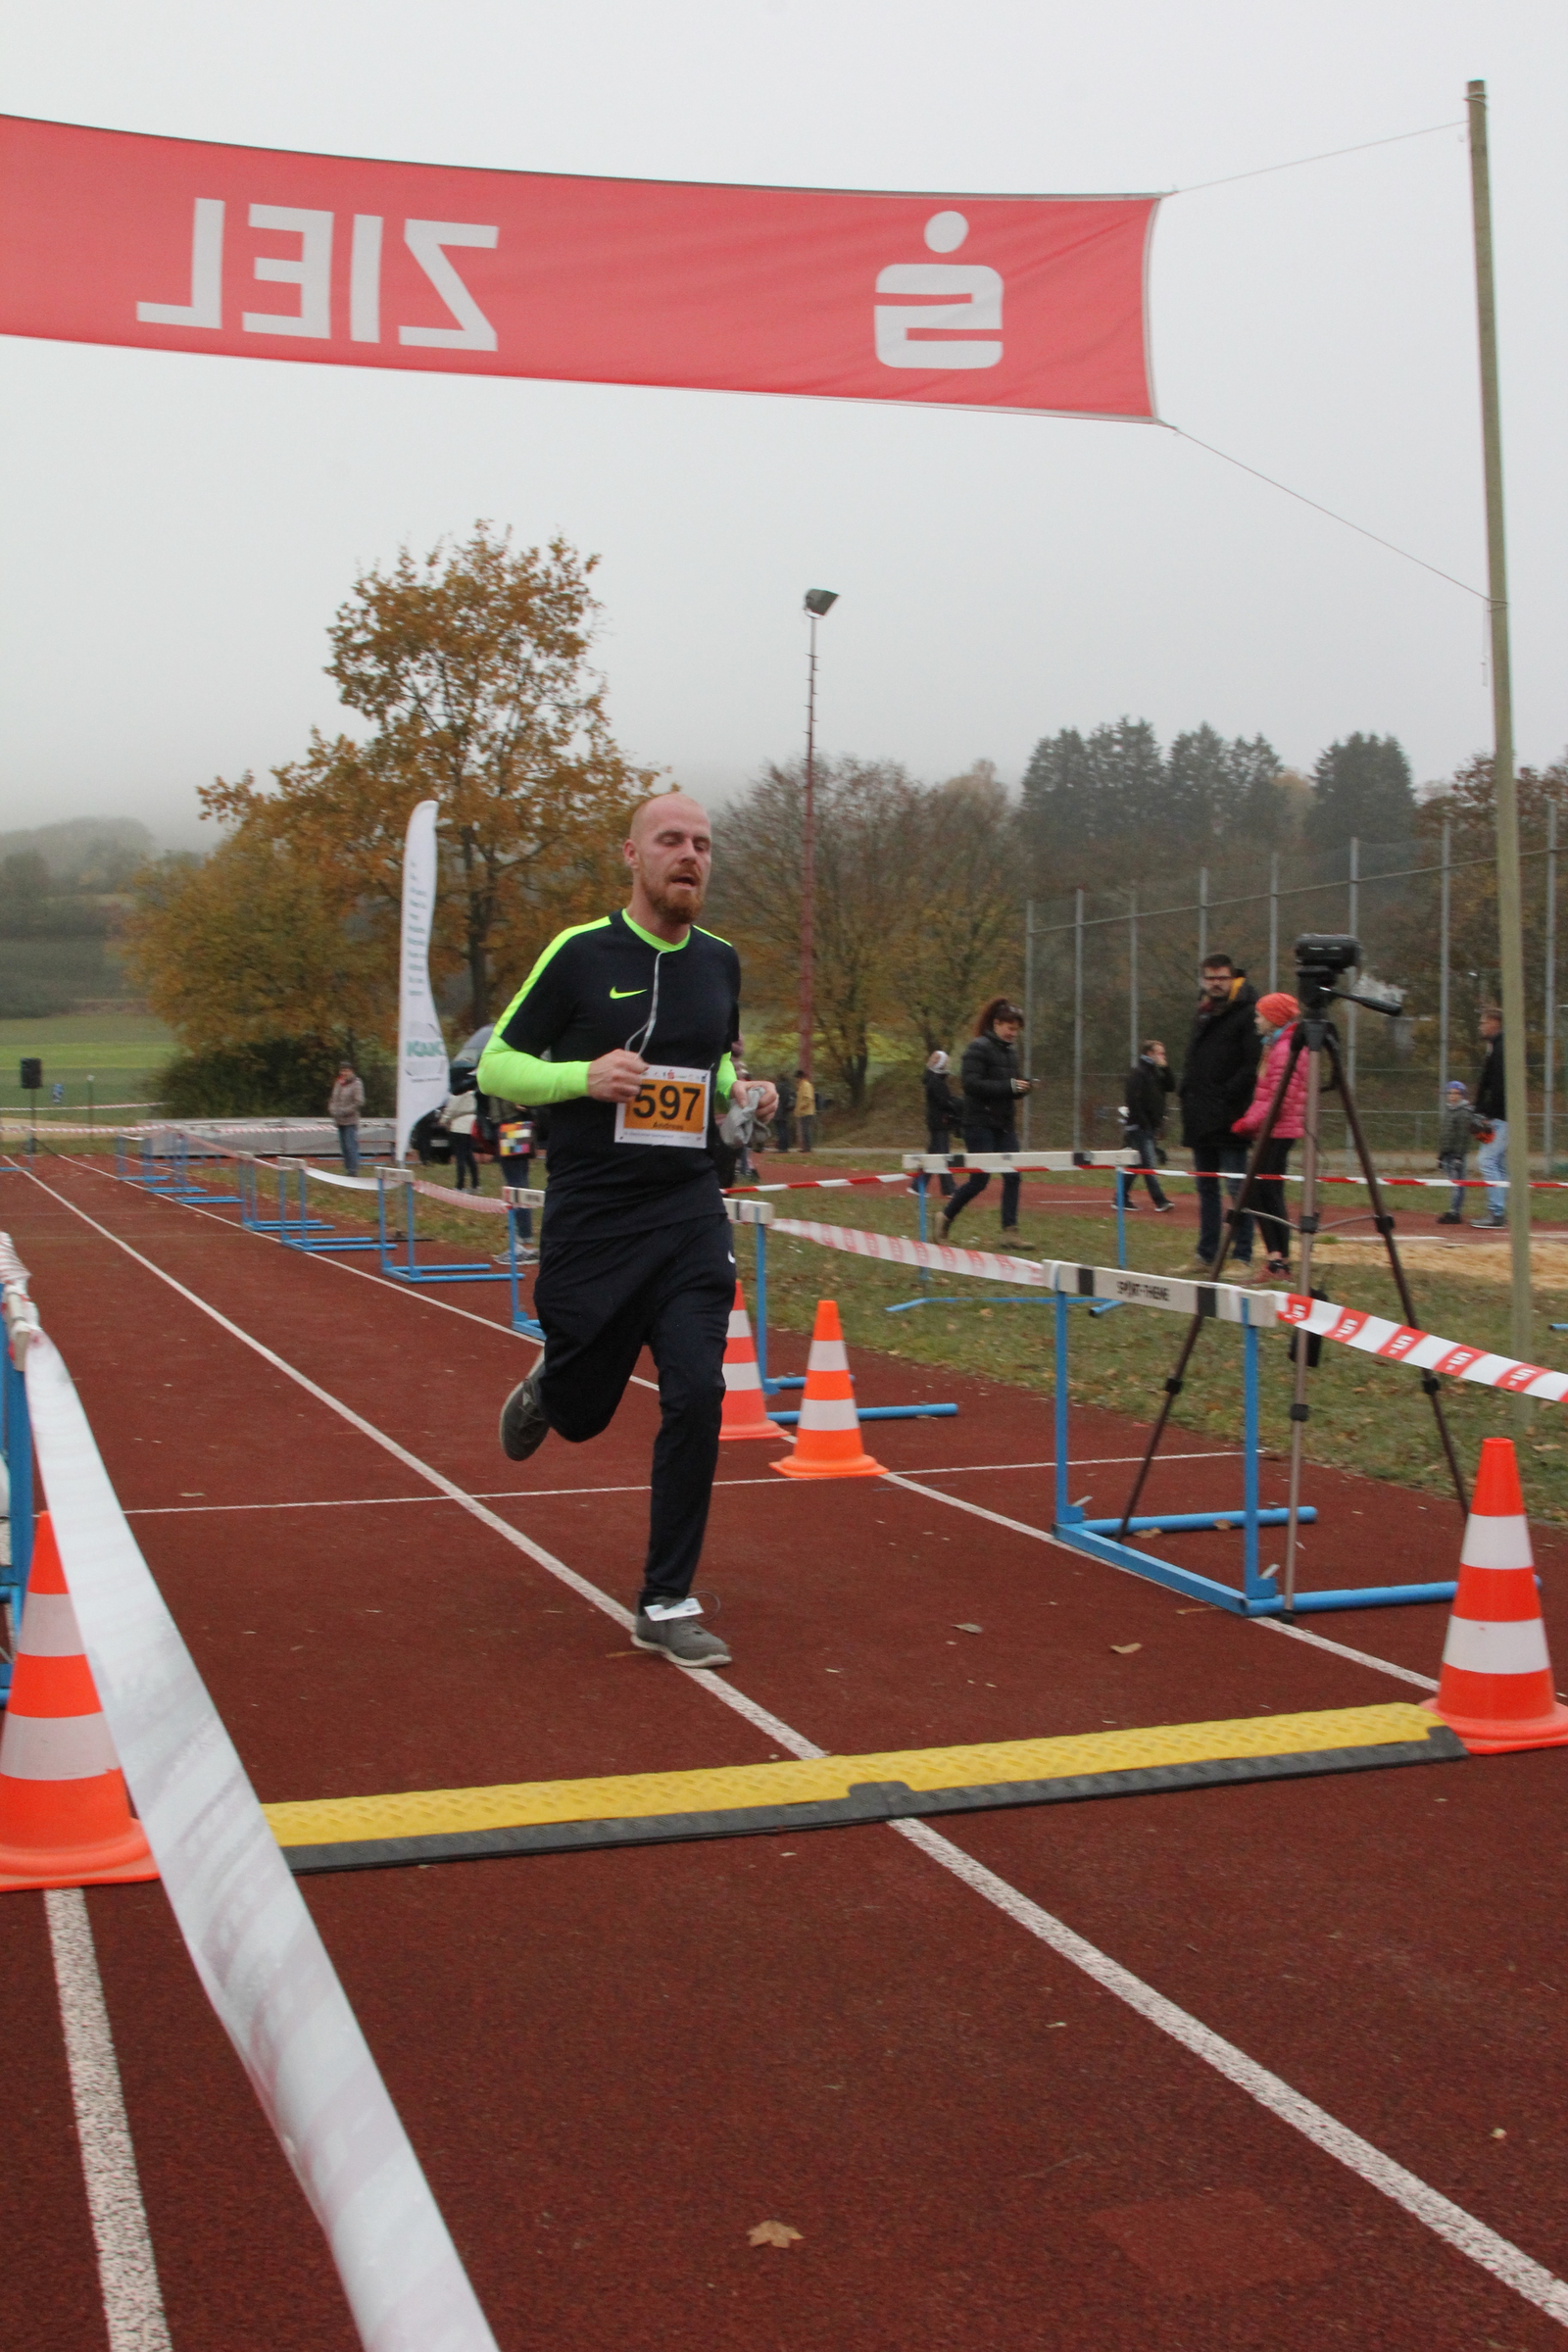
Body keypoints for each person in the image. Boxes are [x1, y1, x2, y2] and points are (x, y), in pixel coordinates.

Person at [477, 791, 776, 1671]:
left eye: (703, 845)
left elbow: (713, 1060)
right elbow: (495, 1064)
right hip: (595, 1217)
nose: (691, 856)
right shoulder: (579, 953)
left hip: (687, 1209)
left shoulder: (720, 962)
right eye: (672, 841)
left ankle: (665, 1598)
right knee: (582, 1414)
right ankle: (552, 1385)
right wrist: (582, 1077)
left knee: (699, 1392)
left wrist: (743, 1091)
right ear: (632, 855)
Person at [1177, 953, 1261, 1273]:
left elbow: (1252, 1064)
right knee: (1206, 1188)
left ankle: (1242, 1256)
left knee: (1237, 1188)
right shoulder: (1203, 1012)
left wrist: (1226, 1095)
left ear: (1233, 977)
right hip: (1200, 1116)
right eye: (1210, 978)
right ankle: (1206, 1254)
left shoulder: (1248, 1012)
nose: (1215, 983)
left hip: (1231, 1117)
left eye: (1221, 978)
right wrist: (1187, 1091)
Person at [941, 998, 1034, 1241]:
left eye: (1016, 1030)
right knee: (980, 1180)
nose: (1013, 1034)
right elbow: (971, 1084)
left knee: (1013, 1175)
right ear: (996, 1023)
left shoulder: (1010, 1053)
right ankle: (945, 1216)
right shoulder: (977, 1048)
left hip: (1004, 1125)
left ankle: (1010, 1232)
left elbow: (1009, 1087)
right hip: (978, 1124)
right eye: (1010, 1028)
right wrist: (1009, 1086)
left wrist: (1022, 1088)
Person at [1232, 993, 1308, 1282]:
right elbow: (1269, 1096)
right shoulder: (1277, 1046)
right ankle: (1277, 1259)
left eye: (1260, 1015)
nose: (1256, 1020)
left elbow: (1280, 1100)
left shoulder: (1285, 1049)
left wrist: (1249, 1123)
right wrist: (1252, 1121)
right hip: (1274, 1129)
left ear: (1274, 1018)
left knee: (1263, 1191)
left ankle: (1279, 1261)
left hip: (1279, 1131)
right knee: (1263, 1191)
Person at [1119, 1041, 1174, 1213]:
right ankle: (1160, 1201)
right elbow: (1133, 1099)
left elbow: (1171, 1086)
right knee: (1148, 1163)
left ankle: (1120, 1198)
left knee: (1136, 1165)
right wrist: (1144, 1123)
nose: (1163, 1057)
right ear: (1150, 1053)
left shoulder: (1155, 1072)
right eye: (1160, 1053)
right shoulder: (1139, 1072)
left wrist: (1166, 1068)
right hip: (1139, 1127)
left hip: (1150, 1126)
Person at [1473, 1007, 1507, 1228]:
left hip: (1500, 1117)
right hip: (1497, 1115)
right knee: (1498, 1163)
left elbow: (1499, 1086)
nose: (1481, 1026)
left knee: (1486, 1160)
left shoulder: (1502, 1048)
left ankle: (1496, 1212)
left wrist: (1486, 1112)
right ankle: (1498, 1211)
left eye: (1484, 1022)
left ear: (1495, 1022)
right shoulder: (1495, 1047)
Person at [920, 1050, 962, 1199]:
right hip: (939, 1122)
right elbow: (944, 1102)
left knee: (934, 1154)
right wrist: (957, 1104)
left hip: (936, 1121)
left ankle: (918, 1185)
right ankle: (949, 1188)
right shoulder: (936, 1081)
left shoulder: (933, 1079)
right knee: (944, 1155)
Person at [1436, 1079, 1471, 1225]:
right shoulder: (1449, 1111)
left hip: (1456, 1155)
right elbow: (1445, 1135)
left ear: (1462, 1095)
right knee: (1452, 1182)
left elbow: (1462, 1136)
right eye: (1450, 1093)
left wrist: (1458, 1157)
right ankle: (1453, 1209)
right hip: (1447, 1154)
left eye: (1456, 1093)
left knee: (1457, 1183)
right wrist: (1441, 1156)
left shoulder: (1463, 1112)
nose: (1452, 1096)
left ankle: (1455, 1212)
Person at [439, 1077, 481, 1191]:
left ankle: (460, 1185)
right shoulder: (473, 1094)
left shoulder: (457, 1095)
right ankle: (475, 1184)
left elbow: (451, 1110)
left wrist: (443, 1120)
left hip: (459, 1126)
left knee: (460, 1157)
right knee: (469, 1155)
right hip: (471, 1125)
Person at [328, 1061, 365, 1175]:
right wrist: (332, 1109)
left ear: (351, 1071)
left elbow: (359, 1102)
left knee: (350, 1146)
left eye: (346, 1070)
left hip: (350, 1121)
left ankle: (353, 1170)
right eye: (342, 1070)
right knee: (344, 1148)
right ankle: (348, 1169)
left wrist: (344, 1111)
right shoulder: (339, 1083)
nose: (344, 1073)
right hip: (339, 1121)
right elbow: (333, 1099)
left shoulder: (356, 1083)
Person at [772, 1071, 796, 1152]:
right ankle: (785, 1147)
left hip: (778, 1110)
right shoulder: (788, 1087)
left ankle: (781, 1147)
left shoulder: (778, 1087)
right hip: (785, 1111)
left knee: (780, 1130)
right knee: (785, 1129)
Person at [795, 1068, 816, 1152]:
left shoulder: (806, 1085)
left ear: (800, 1077)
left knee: (806, 1130)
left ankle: (808, 1147)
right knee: (804, 1130)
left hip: (806, 1112)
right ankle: (805, 1147)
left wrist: (801, 1107)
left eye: (797, 1078)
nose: (796, 1080)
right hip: (802, 1112)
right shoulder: (801, 1086)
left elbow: (808, 1099)